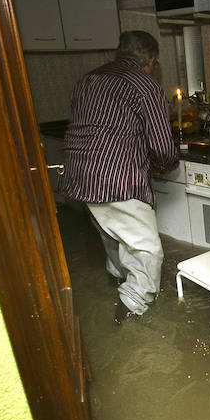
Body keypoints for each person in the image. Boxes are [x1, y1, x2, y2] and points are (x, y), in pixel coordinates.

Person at [60, 30, 179, 324]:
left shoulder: (87, 80)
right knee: (148, 249)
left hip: (77, 176)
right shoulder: (145, 85)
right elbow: (162, 148)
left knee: (112, 235)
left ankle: (116, 280)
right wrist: (167, 163)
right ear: (150, 61)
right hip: (116, 178)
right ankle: (131, 311)